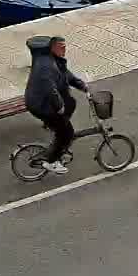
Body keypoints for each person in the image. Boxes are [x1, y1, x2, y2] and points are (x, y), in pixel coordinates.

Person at [24, 35, 87, 175]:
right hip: (42, 106)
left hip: (40, 101)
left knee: (71, 103)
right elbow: (50, 90)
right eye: (61, 47)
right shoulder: (46, 66)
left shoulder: (53, 60)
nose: (64, 50)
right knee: (67, 132)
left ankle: (55, 129)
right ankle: (51, 162)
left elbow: (66, 75)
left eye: (65, 47)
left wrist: (81, 85)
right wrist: (59, 107)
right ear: (51, 48)